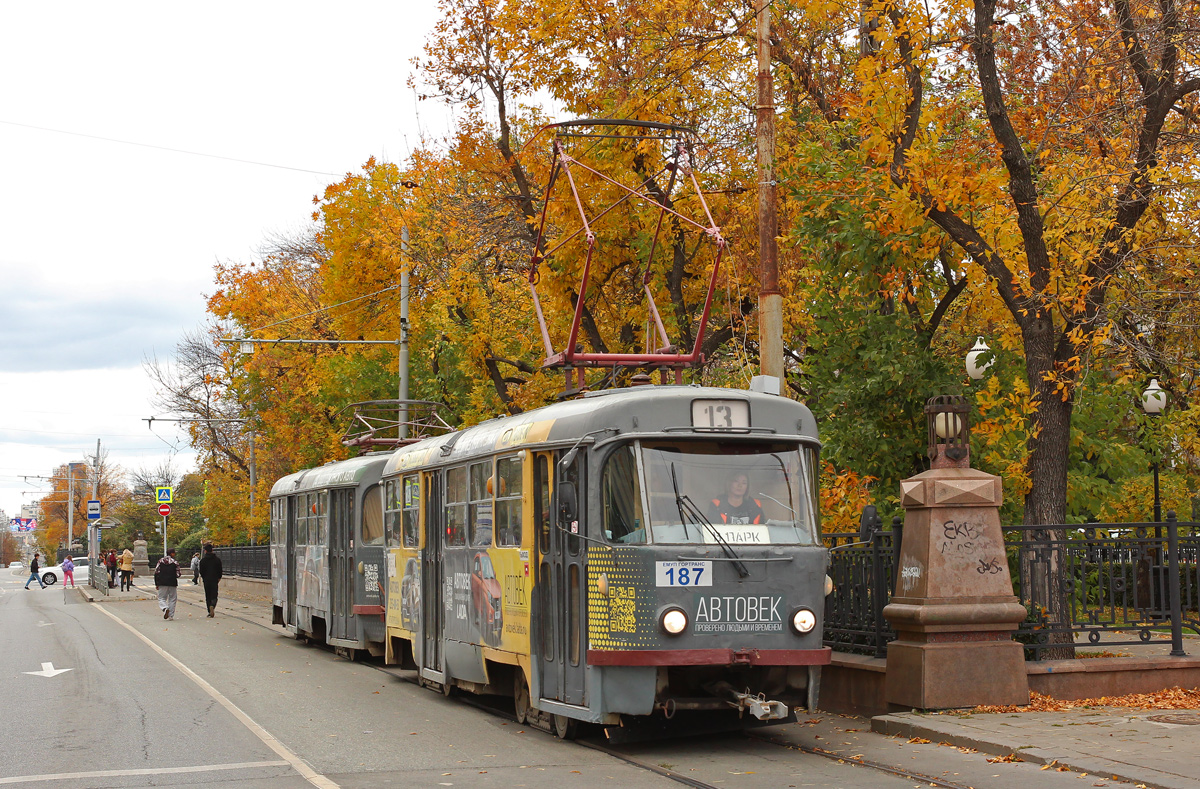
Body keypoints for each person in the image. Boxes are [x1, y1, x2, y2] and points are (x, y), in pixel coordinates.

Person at [153, 548, 182, 620]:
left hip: (162, 582)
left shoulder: (160, 561)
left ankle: (165, 608)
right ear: (172, 553)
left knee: (161, 598)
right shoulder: (175, 562)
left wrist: (157, 583)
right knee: (172, 598)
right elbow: (178, 574)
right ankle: (171, 615)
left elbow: (156, 572)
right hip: (172, 582)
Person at [199, 543, 223, 618]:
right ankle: (213, 604)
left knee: (208, 595)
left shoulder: (203, 561)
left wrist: (203, 577)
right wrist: (219, 577)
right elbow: (220, 570)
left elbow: (201, 571)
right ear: (212, 550)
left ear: (205, 551)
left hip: (206, 580)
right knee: (214, 594)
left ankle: (209, 610)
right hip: (215, 579)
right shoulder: (217, 560)